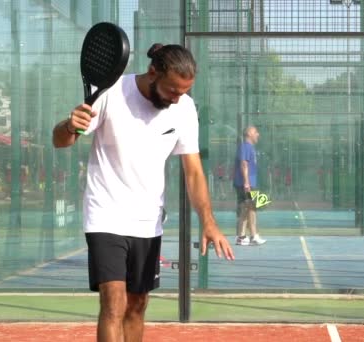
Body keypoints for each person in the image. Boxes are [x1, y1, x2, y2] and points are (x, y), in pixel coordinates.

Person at [52, 43, 234, 342]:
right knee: (113, 303)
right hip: (104, 215)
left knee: (137, 305)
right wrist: (69, 125)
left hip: (148, 221)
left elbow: (194, 171)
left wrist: (209, 221)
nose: (178, 98)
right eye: (174, 90)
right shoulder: (111, 93)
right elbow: (61, 140)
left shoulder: (185, 109)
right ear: (153, 73)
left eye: (184, 91)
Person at [233, 125, 266, 246]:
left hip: (249, 183)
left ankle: (251, 236)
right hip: (245, 183)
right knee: (248, 208)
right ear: (250, 134)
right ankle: (244, 236)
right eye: (256, 132)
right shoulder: (245, 147)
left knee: (250, 208)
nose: (258, 135)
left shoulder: (250, 147)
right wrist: (246, 182)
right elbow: (243, 164)